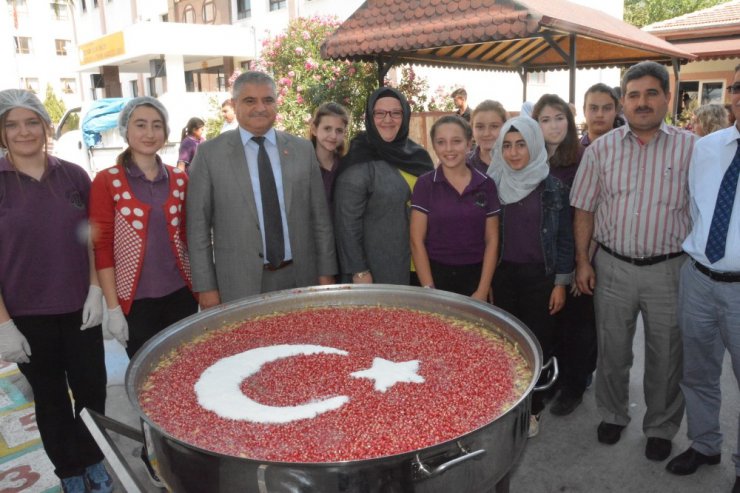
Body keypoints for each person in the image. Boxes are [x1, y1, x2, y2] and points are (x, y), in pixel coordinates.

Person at [571, 61, 696, 462]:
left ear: (667, 98)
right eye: (634, 95)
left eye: (651, 94)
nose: (642, 103)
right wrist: (582, 262)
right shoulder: (601, 149)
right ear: (623, 101)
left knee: (667, 353)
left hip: (669, 269)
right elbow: (584, 210)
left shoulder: (692, 148)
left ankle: (660, 426)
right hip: (613, 267)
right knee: (613, 349)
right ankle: (612, 413)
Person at [0, 89, 112, 493]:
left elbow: (93, 238)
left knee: (91, 390)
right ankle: (68, 472)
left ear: (46, 126)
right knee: (50, 400)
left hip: (78, 307)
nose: (23, 131)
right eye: (11, 124)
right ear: (1, 132)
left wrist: (95, 291)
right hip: (25, 316)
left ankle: (94, 460)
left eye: (31, 122)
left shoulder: (74, 176)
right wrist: (4, 325)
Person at [89, 96, 197, 487]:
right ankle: (155, 453)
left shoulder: (180, 179)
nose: (149, 132)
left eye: (156, 124)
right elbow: (100, 244)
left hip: (180, 296)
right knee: (147, 383)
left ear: (166, 132)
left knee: (185, 376)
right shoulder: (108, 181)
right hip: (137, 304)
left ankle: (186, 448)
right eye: (140, 124)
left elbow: (188, 237)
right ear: (126, 130)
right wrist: (112, 306)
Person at [187, 71, 337, 308]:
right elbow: (198, 229)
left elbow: (320, 219)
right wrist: (206, 287)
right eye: (250, 101)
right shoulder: (209, 155)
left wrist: (326, 273)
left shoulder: (302, 150)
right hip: (239, 285)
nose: (260, 107)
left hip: (300, 278)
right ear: (235, 105)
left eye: (268, 100)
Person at [665, 65, 740, 493]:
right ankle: (705, 443)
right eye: (739, 86)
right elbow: (694, 207)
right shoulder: (707, 149)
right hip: (697, 279)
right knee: (697, 372)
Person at [488, 116, 574, 437]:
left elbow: (564, 238)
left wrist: (561, 284)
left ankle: (534, 408)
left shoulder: (553, 187)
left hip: (541, 278)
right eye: (507, 145)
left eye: (521, 144)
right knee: (506, 345)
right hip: (502, 277)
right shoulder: (491, 183)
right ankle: (509, 403)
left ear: (534, 144)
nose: (513, 153)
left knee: (538, 344)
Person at [532, 94, 595, 417]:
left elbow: (591, 213)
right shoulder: (532, 159)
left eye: (559, 118)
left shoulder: (584, 158)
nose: (553, 125)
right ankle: (553, 380)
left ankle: (574, 385)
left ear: (569, 123)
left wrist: (579, 262)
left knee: (578, 326)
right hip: (546, 258)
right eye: (545, 119)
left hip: (577, 255)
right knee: (551, 325)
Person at [333, 86, 433, 285]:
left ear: (405, 116)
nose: (388, 120)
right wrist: (359, 270)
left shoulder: (417, 155)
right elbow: (347, 224)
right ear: (370, 117)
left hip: (423, 264)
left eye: (396, 113)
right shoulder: (359, 161)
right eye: (380, 113)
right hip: (378, 270)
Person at [410, 115, 500, 300]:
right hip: (436, 275)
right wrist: (429, 289)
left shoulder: (486, 184)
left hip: (476, 276)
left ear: (469, 144)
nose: (449, 149)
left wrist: (482, 289)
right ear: (434, 146)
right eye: (441, 142)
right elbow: (416, 240)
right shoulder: (425, 184)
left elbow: (492, 240)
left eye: (456, 141)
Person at [310, 102, 349, 206]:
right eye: (327, 129)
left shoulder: (347, 167)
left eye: (339, 130)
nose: (333, 136)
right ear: (314, 129)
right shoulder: (304, 165)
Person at [466, 100, 508, 173]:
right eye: (480, 127)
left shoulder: (516, 161)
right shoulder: (463, 164)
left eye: (494, 126)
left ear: (505, 127)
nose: (486, 133)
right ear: (472, 129)